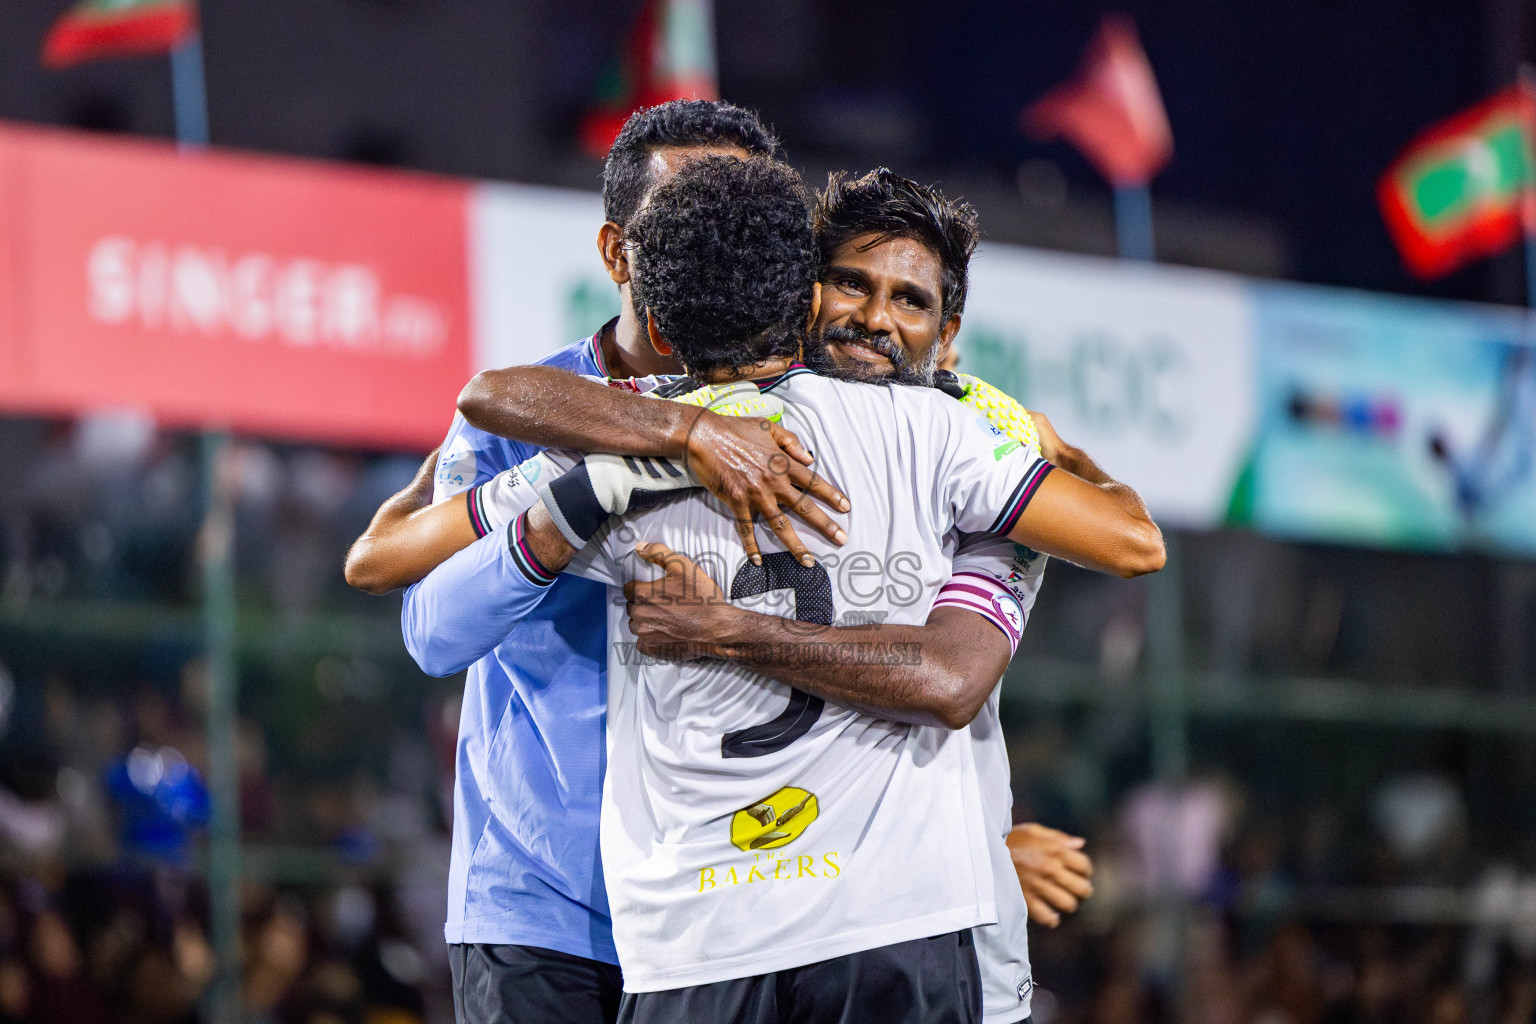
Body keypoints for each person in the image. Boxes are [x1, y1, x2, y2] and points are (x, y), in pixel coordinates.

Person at [349, 152, 1114, 1023]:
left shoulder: (926, 425)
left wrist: (968, 839)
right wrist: (671, 437)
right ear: (619, 252)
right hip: (553, 908)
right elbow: (428, 615)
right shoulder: (567, 415)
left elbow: (922, 671)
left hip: (749, 907)